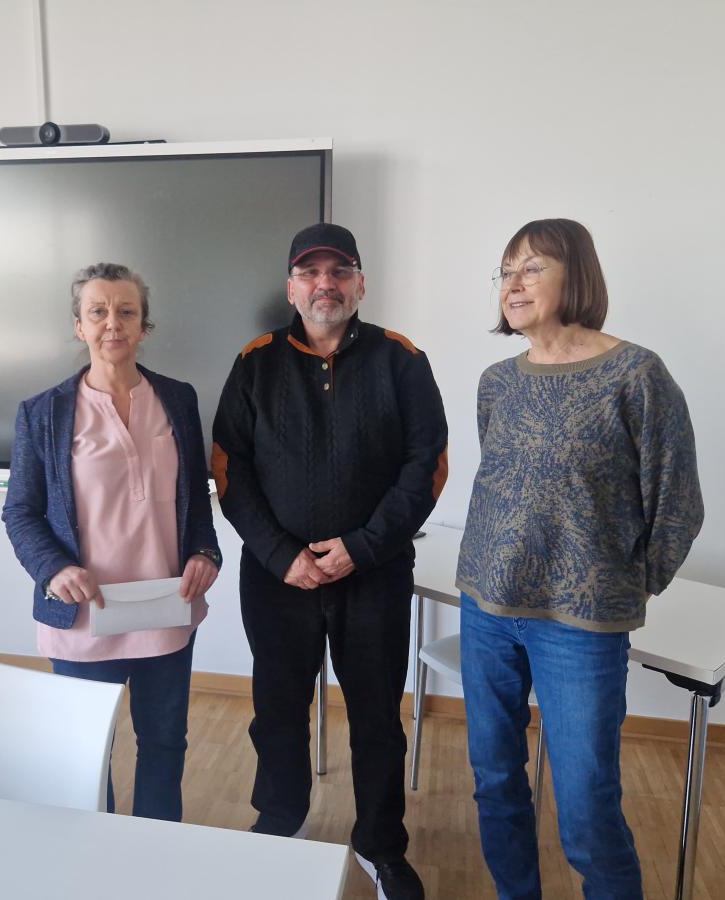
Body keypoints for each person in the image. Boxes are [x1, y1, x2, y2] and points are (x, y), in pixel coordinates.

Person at [456, 219, 704, 899]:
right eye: (506, 271)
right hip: (486, 608)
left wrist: (624, 586)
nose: (513, 284)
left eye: (532, 268)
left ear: (579, 276)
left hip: (580, 627)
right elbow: (505, 484)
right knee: (496, 781)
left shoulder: (636, 374)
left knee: (588, 806)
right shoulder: (497, 382)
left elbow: (678, 503)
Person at [212, 223, 448, 900]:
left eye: (339, 271)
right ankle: (280, 818)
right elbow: (229, 467)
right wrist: (281, 554)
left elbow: (427, 465)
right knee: (276, 709)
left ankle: (380, 845)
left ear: (360, 284)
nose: (325, 284)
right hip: (277, 577)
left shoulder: (402, 359)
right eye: (310, 273)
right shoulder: (255, 362)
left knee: (376, 718)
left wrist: (362, 547)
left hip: (374, 575)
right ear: (291, 287)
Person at [2, 262, 220, 821]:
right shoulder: (43, 413)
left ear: (144, 325)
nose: (112, 323)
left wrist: (205, 553)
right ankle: (93, 859)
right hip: (82, 618)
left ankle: (155, 852)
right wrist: (54, 569)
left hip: (164, 610)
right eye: (97, 312)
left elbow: (196, 497)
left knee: (165, 746)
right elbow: (20, 511)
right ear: (79, 325)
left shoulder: (178, 399)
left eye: (126, 311)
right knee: (86, 756)